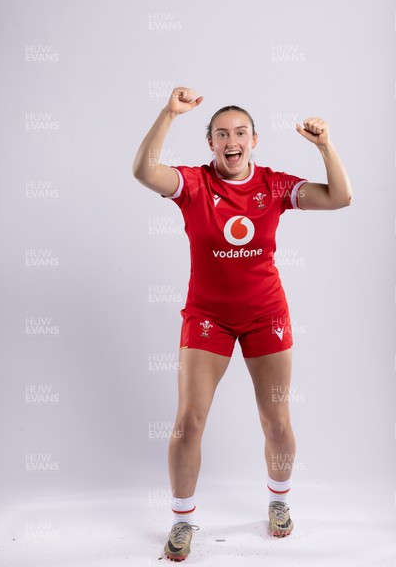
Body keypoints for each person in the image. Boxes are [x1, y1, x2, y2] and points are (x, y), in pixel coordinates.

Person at [133, 87, 352, 561]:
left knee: (276, 420)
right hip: (207, 318)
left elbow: (341, 197)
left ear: (255, 140)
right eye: (221, 135)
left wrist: (324, 145)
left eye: (240, 133)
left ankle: (278, 501)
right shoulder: (194, 185)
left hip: (264, 316)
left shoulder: (273, 186)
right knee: (189, 421)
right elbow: (144, 171)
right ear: (210, 144)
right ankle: (183, 520)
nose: (231, 142)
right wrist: (169, 113)